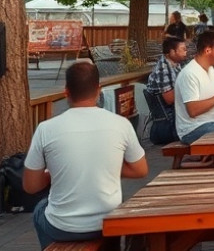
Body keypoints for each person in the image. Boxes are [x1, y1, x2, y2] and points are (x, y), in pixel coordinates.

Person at [24, 62, 148, 249]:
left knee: (40, 209)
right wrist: (106, 166)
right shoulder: (121, 124)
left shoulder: (46, 129)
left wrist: (53, 174)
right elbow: (141, 170)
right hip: (107, 221)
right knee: (115, 210)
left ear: (66, 92)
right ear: (99, 90)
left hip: (63, 226)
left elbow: (31, 186)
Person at [145, 37, 187, 145]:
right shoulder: (163, 69)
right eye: (183, 49)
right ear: (172, 52)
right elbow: (170, 99)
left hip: (177, 114)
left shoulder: (176, 65)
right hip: (170, 121)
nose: (186, 52)